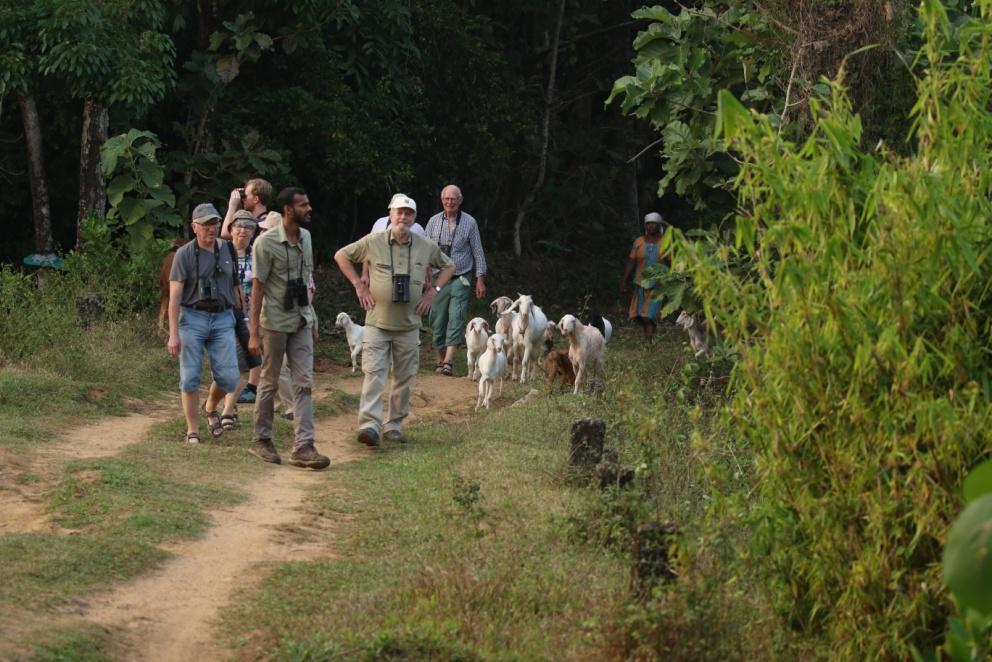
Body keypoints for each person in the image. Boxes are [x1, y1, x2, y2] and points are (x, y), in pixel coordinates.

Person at [334, 194, 454, 446]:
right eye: (399, 212)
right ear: (390, 215)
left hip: (409, 325)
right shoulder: (373, 241)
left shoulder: (425, 245)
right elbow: (341, 255)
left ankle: (394, 425)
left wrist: (434, 292)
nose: (403, 217)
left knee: (404, 378)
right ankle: (369, 426)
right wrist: (358, 284)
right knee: (374, 375)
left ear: (413, 218)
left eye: (408, 213)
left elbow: (449, 266)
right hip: (377, 323)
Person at [247, 187, 330, 469]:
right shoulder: (265, 244)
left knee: (304, 383)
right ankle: (261, 439)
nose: (309, 209)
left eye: (308, 203)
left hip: (302, 320)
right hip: (274, 323)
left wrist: (313, 317)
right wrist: (253, 332)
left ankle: (304, 446)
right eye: (303, 205)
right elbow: (257, 289)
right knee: (268, 382)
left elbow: (306, 281)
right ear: (287, 210)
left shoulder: (305, 237)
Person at [167, 203, 241, 444]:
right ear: (194, 227)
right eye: (206, 224)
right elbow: (174, 297)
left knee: (229, 378)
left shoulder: (228, 249)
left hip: (223, 317)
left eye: (215, 223)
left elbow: (237, 287)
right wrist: (173, 334)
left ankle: (210, 406)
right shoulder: (184, 254)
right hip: (192, 317)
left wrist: (247, 320)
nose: (212, 228)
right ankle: (192, 430)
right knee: (189, 377)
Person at [424, 184, 487, 376]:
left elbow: (478, 251)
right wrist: (425, 274)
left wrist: (480, 278)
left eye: (453, 199)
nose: (449, 202)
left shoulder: (469, 222)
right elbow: (425, 250)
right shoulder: (433, 222)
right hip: (437, 278)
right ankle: (440, 357)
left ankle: (449, 362)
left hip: (461, 277)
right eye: (446, 199)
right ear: (441, 200)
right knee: (436, 318)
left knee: (456, 316)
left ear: (460, 200)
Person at [205, 210, 260, 430]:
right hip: (220, 315)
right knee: (223, 367)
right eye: (238, 226)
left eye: (248, 227)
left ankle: (228, 411)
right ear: (230, 230)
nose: (242, 231)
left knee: (238, 366)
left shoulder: (258, 256)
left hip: (247, 318)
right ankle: (213, 405)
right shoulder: (217, 253)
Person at [621, 211, 667, 342]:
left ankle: (648, 342)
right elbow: (631, 261)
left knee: (648, 316)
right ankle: (650, 332)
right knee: (638, 315)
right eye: (648, 224)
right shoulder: (639, 241)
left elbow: (673, 261)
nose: (650, 226)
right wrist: (624, 280)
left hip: (658, 285)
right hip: (640, 283)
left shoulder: (665, 242)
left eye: (653, 223)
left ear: (659, 225)